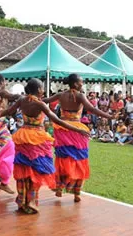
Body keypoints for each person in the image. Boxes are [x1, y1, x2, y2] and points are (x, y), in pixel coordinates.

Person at [0, 78, 89, 213]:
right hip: (37, 138)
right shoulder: (39, 104)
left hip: (23, 136)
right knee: (37, 169)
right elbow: (56, 119)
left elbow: (8, 111)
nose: (43, 90)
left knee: (24, 168)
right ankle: (30, 201)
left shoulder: (22, 100)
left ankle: (22, 201)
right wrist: (77, 129)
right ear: (38, 90)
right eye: (42, 88)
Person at [43, 74, 113, 202]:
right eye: (81, 82)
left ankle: (59, 187)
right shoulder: (80, 96)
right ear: (75, 84)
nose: (82, 84)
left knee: (63, 158)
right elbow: (91, 108)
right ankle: (77, 193)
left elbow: (45, 100)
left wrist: (29, 98)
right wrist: (108, 116)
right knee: (79, 160)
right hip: (76, 131)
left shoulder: (60, 95)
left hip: (62, 129)